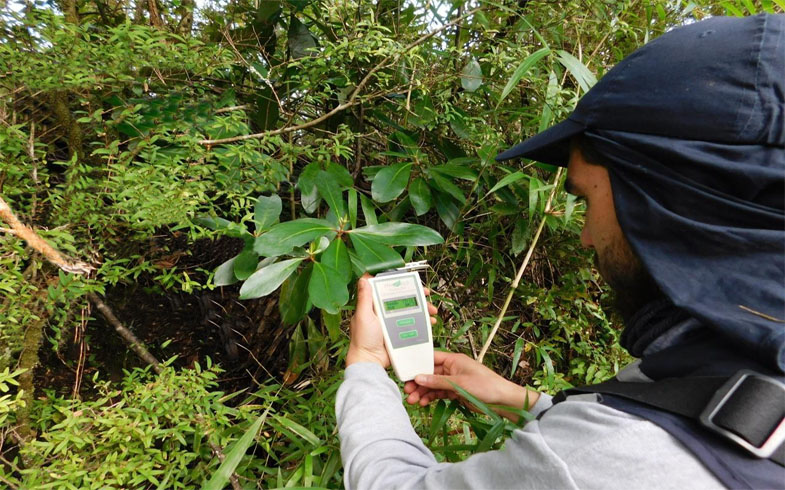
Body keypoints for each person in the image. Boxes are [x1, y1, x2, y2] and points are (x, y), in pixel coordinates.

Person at [336, 14, 785, 490]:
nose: (585, 236)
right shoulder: (740, 357)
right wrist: (520, 401)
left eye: (587, 199)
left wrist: (365, 364)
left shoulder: (607, 456)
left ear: (668, 203)